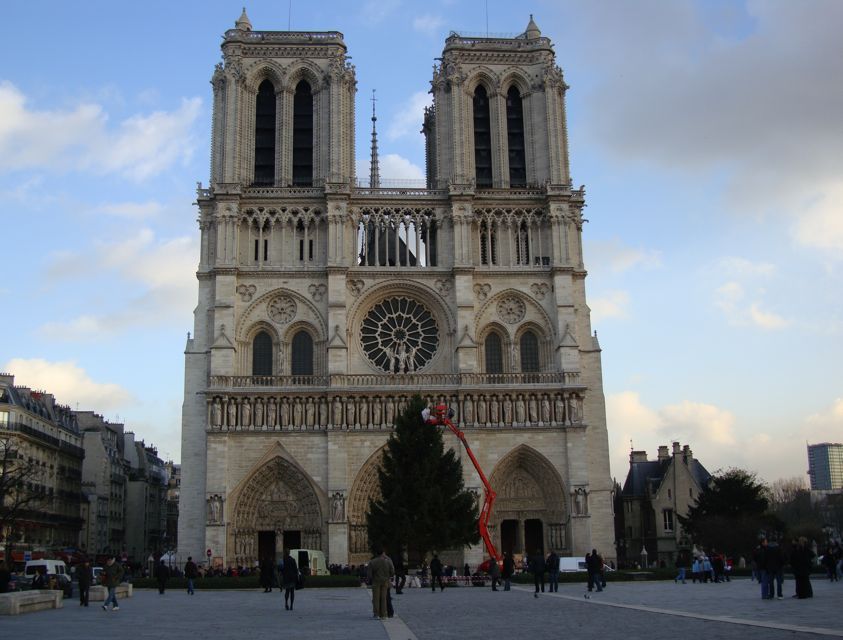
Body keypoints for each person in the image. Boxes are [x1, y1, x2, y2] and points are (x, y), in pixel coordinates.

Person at [367, 547, 395, 620]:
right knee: (384, 598)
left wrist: (371, 579)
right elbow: (392, 572)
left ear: (376, 554)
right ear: (383, 553)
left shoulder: (372, 562)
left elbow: (369, 574)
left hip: (376, 581)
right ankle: (384, 614)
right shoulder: (388, 561)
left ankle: (376, 614)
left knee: (376, 598)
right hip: (385, 581)